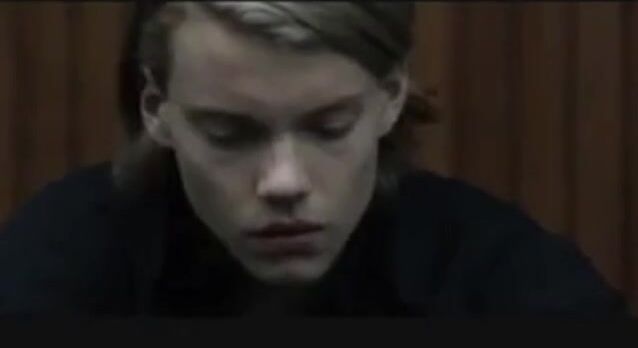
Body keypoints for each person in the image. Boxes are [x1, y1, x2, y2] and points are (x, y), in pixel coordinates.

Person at [0, 1, 627, 316]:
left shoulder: (490, 270)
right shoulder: (65, 255)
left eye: (329, 128)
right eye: (228, 134)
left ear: (391, 97)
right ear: (156, 111)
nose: (284, 183)